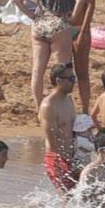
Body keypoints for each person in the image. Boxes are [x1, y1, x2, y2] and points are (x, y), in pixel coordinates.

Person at [12, 0, 85, 104]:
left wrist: (31, 15)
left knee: (37, 70)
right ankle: (61, 104)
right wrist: (72, 19)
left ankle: (39, 107)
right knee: (64, 69)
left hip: (39, 25)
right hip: (58, 25)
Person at [40, 64, 79, 193]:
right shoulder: (48, 105)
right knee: (67, 197)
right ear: (58, 80)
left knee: (83, 195)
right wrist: (66, 160)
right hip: (56, 159)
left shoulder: (69, 100)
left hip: (72, 157)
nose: (74, 82)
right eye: (71, 79)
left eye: (74, 78)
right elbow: (52, 139)